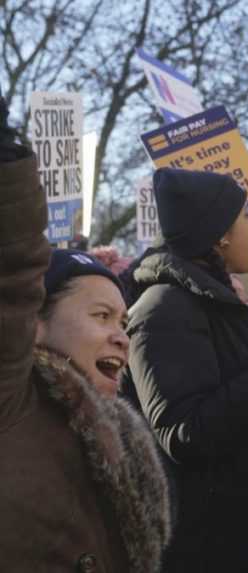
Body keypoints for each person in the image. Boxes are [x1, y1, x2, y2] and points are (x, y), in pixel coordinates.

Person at [0, 107, 170, 571]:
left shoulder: (117, 435)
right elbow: (13, 268)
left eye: (124, 323)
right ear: (33, 322)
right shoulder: (11, 401)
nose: (121, 337)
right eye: (101, 316)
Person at [122, 168, 248, 572]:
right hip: (212, 549)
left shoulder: (221, 305)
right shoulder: (163, 309)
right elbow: (183, 431)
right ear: (219, 234)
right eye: (247, 216)